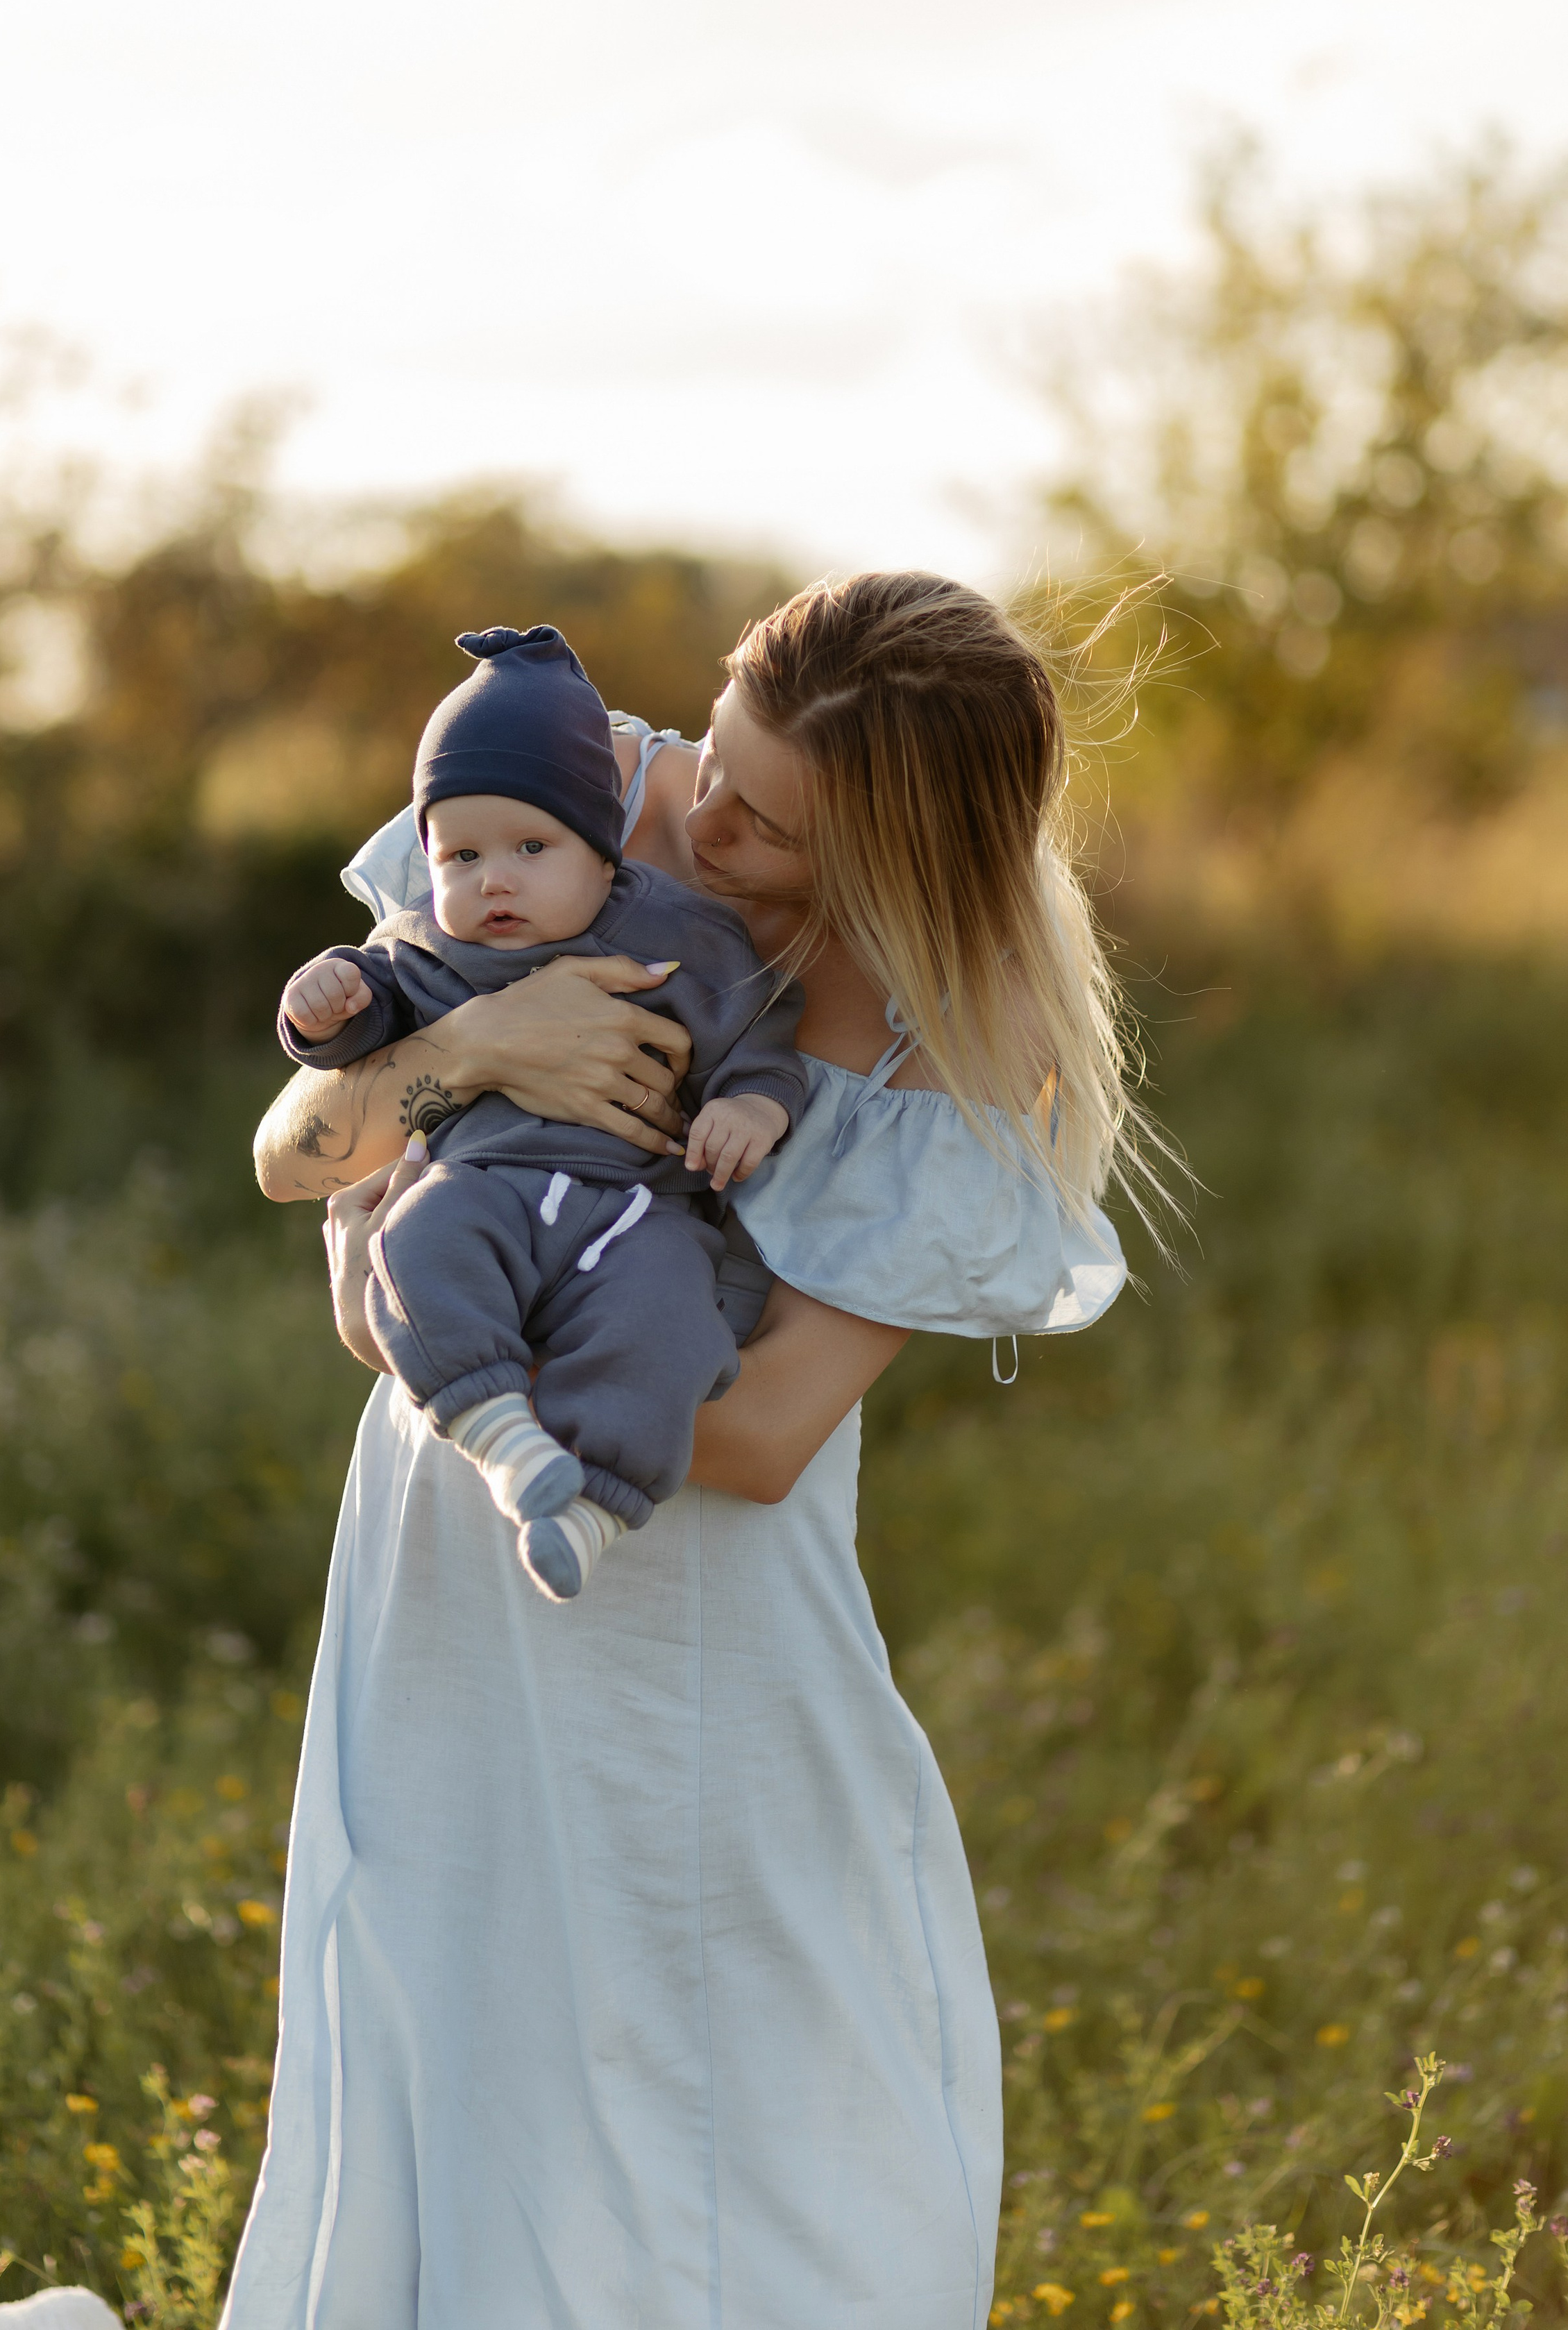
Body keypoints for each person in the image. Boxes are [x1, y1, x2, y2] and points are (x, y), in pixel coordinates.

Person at [224, 573, 1146, 2330]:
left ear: (888, 854)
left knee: (733, 2090)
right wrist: (482, 1045)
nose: (699, 815)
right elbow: (293, 1148)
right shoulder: (558, 799)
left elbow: (770, 1432)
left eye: (766, 823)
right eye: (714, 759)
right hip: (445, 1561)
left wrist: (445, 1326)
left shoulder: (951, 1037)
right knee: (452, 2012)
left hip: (696, 1615)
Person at [275, 623, 804, 1598]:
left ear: (602, 853)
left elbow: (760, 1048)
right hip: (484, 1187)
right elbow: (350, 1042)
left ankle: (597, 1505)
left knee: (670, 1324)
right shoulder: (434, 947)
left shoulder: (686, 934)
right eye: (462, 855)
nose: (495, 879)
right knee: (419, 1245)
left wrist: (753, 1111)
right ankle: (503, 1437)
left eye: (531, 846)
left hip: (639, 1214)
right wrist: (326, 1002)